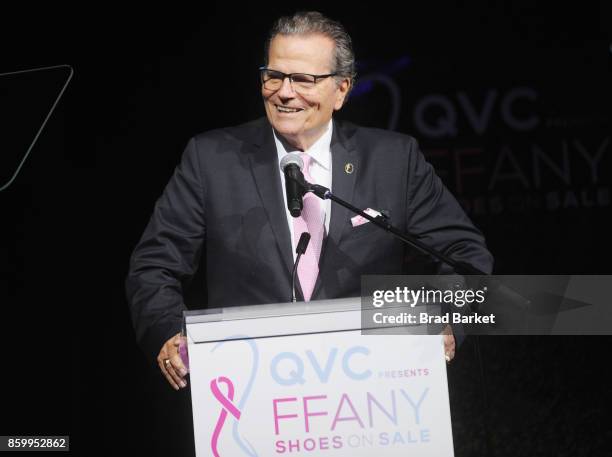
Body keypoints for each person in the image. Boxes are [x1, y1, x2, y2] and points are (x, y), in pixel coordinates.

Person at [126, 11, 493, 392]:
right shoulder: (211, 160)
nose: (285, 92)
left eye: (303, 79)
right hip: (252, 389)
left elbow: (465, 256)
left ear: (341, 90)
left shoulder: (393, 160)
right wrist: (169, 332)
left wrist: (448, 321)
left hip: (374, 388)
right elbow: (154, 265)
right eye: (274, 76)